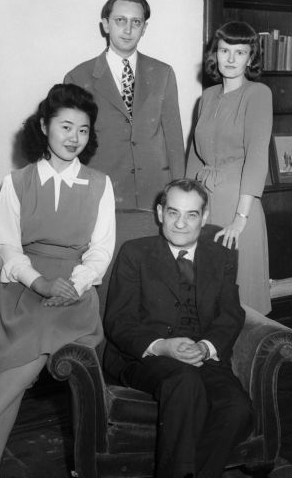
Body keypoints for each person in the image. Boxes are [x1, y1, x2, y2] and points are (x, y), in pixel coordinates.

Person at [0, 83, 115, 477]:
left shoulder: (99, 184)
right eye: (65, 127)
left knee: (33, 347)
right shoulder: (17, 182)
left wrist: (76, 283)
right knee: (19, 362)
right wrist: (39, 282)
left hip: (75, 291)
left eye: (83, 130)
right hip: (22, 288)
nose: (74, 137)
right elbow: (7, 247)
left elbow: (101, 249)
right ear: (44, 126)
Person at [104, 179, 252, 478]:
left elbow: (230, 314)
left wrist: (206, 347)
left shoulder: (222, 255)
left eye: (191, 215)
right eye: (173, 213)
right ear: (160, 213)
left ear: (205, 217)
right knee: (185, 382)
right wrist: (161, 346)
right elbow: (119, 320)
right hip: (144, 357)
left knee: (238, 409)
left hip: (202, 356)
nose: (181, 224)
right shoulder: (135, 253)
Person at [64, 0, 185, 210]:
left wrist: (179, 191)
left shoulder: (163, 73)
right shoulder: (78, 77)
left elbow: (174, 138)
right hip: (103, 192)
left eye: (136, 22)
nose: (128, 29)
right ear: (106, 25)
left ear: (144, 28)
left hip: (155, 193)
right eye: (120, 20)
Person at [186, 21, 273, 315]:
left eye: (240, 52)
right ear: (216, 54)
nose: (231, 59)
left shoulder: (258, 94)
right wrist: (186, 207)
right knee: (205, 292)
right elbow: (195, 157)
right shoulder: (207, 97)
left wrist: (240, 219)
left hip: (239, 205)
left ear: (251, 58)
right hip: (206, 202)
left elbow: (257, 157)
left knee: (240, 299)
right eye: (225, 50)